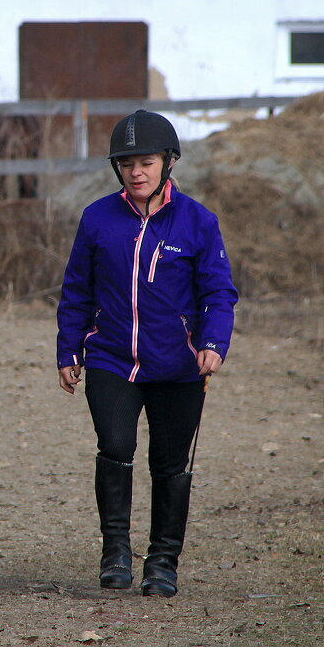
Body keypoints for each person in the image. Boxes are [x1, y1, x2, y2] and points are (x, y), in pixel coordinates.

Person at [56, 109, 237, 598]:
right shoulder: (97, 218)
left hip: (178, 366)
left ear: (167, 162)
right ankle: (115, 550)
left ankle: (162, 561)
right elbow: (76, 291)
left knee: (170, 462)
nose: (137, 171)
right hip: (113, 359)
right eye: (127, 163)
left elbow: (218, 293)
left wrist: (214, 343)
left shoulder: (199, 222)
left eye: (147, 162)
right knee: (115, 447)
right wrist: (67, 348)